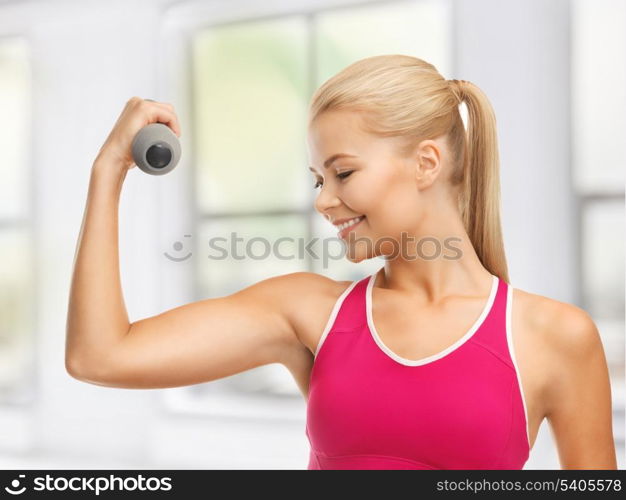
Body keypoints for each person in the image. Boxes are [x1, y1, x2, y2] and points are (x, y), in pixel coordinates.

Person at [65, 54, 617, 470]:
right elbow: (100, 356)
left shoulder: (554, 337)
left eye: (343, 173)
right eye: (317, 180)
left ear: (426, 163)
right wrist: (107, 171)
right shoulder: (309, 313)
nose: (323, 201)